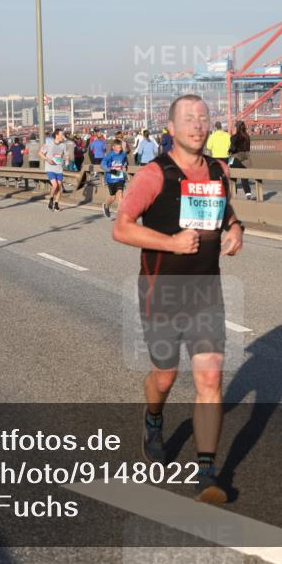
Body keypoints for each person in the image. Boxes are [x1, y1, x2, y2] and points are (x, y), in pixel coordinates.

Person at [113, 94, 244, 505]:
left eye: (203, 118)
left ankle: (207, 472)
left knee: (210, 379)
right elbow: (121, 227)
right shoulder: (155, 175)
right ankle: (154, 418)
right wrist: (171, 242)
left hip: (206, 291)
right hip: (162, 292)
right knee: (165, 377)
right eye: (188, 119)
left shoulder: (219, 171)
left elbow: (224, 211)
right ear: (171, 128)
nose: (198, 125)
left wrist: (236, 228)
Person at [40, 128, 68, 212]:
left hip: (59, 168)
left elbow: (66, 154)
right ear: (57, 135)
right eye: (61, 134)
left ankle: (56, 204)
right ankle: (51, 199)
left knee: (59, 188)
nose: (63, 136)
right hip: (50, 168)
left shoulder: (63, 145)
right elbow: (40, 153)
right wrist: (47, 159)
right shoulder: (49, 144)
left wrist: (67, 160)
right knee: (55, 185)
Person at [100, 138, 128, 218]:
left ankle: (120, 214)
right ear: (113, 147)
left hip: (119, 176)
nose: (120, 149)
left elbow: (125, 161)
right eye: (118, 147)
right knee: (113, 197)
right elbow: (102, 165)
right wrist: (109, 169)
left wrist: (125, 166)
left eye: (120, 147)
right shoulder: (109, 156)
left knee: (120, 194)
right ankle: (106, 205)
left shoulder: (123, 154)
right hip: (111, 178)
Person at [228, 121, 254, 200]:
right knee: (244, 177)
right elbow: (248, 149)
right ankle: (248, 194)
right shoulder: (247, 137)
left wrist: (229, 151)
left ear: (237, 128)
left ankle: (233, 193)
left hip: (234, 158)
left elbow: (233, 149)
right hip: (245, 159)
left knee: (232, 176)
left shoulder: (234, 137)